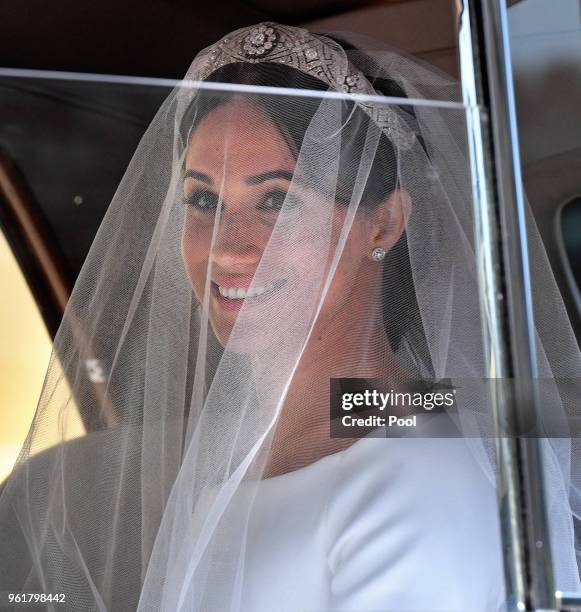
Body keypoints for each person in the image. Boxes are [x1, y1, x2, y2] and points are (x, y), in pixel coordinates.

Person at [1, 22, 580, 612]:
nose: (226, 248)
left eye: (277, 199)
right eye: (203, 200)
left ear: (381, 223)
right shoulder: (231, 459)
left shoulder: (419, 484)